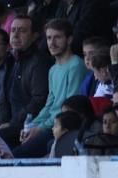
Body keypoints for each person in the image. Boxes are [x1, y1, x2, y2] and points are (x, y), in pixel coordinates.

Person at [15, 19, 88, 157]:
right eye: (49, 38)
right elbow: (50, 104)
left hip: (64, 127)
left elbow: (69, 109)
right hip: (51, 125)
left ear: (69, 39)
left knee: (19, 154)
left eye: (57, 37)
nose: (52, 43)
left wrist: (40, 128)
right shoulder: (53, 70)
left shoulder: (76, 66)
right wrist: (32, 126)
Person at [8, 14, 54, 145]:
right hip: (16, 123)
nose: (15, 35)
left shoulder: (39, 62)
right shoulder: (13, 60)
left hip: (29, 126)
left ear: (34, 36)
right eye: (13, 30)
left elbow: (39, 100)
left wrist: (12, 123)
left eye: (22, 31)